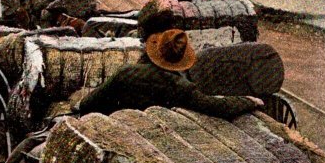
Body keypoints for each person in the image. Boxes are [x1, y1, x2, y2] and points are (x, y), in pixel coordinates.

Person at [74, 29, 262, 119]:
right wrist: (248, 101)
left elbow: (90, 102)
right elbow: (215, 106)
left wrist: (79, 105)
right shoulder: (178, 87)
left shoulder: (126, 73)